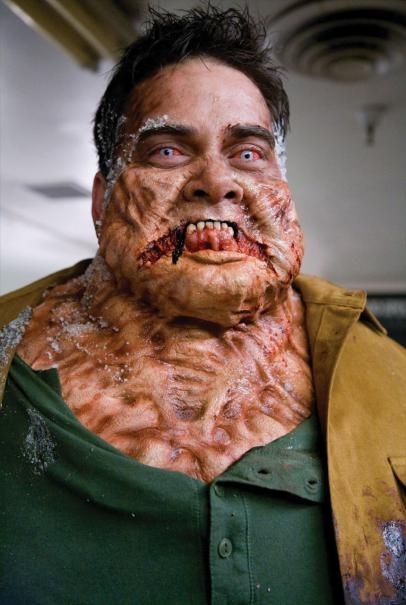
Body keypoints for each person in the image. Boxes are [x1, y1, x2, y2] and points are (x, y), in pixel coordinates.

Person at [0, 6, 405, 605]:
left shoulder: (391, 380)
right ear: (102, 199)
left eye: (248, 153)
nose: (217, 181)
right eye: (167, 151)